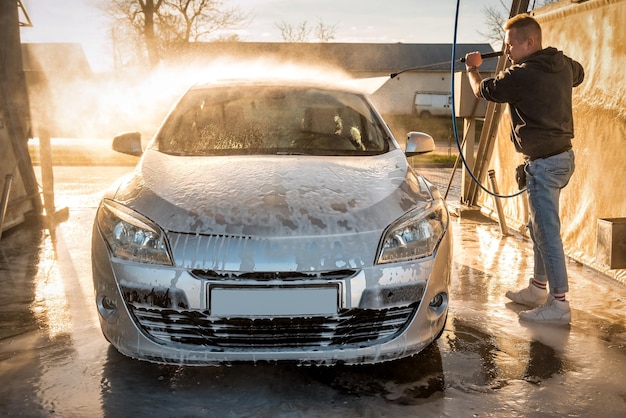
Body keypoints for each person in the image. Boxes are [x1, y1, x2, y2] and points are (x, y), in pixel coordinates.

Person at [464, 14, 584, 325]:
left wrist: (472, 68)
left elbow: (483, 91)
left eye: (510, 46)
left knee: (546, 232)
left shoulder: (521, 74)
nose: (506, 52)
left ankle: (558, 305)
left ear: (529, 42)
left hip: (545, 166)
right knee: (538, 227)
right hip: (561, 159)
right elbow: (580, 74)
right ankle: (538, 288)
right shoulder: (560, 62)